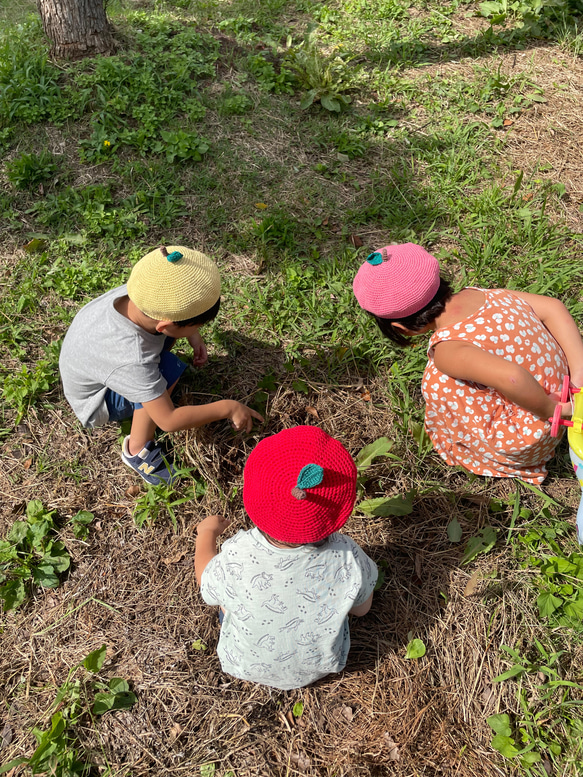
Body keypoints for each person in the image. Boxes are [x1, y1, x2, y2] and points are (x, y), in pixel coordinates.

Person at [353, 243, 583, 484]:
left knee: (437, 382)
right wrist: (578, 374)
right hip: (564, 384)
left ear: (401, 328)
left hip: (536, 430)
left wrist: (550, 410)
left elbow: (511, 377)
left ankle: (485, 453)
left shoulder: (447, 351)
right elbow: (554, 308)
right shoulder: (486, 294)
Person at [59, 245, 263, 484]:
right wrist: (228, 407)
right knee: (165, 371)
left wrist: (192, 335)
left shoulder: (144, 291)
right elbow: (168, 420)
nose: (198, 331)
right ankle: (136, 451)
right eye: (196, 326)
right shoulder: (133, 357)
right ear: (165, 327)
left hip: (99, 363)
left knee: (158, 368)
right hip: (98, 400)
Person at [195, 425, 378, 690]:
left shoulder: (238, 553)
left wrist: (206, 534)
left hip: (244, 664)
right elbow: (363, 610)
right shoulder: (348, 557)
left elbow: (206, 586)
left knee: (226, 600)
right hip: (322, 665)